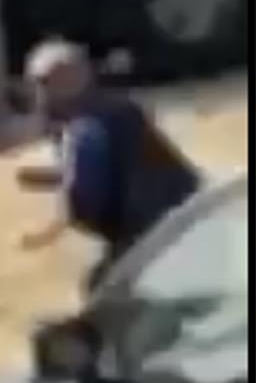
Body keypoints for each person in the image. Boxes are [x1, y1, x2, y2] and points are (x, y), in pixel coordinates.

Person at [17, 39, 203, 286]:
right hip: (196, 220)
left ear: (60, 83)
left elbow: (84, 202)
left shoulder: (84, 128)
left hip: (157, 237)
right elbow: (120, 168)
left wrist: (48, 230)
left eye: (41, 85)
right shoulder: (119, 108)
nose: (38, 96)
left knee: (101, 290)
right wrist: (54, 177)